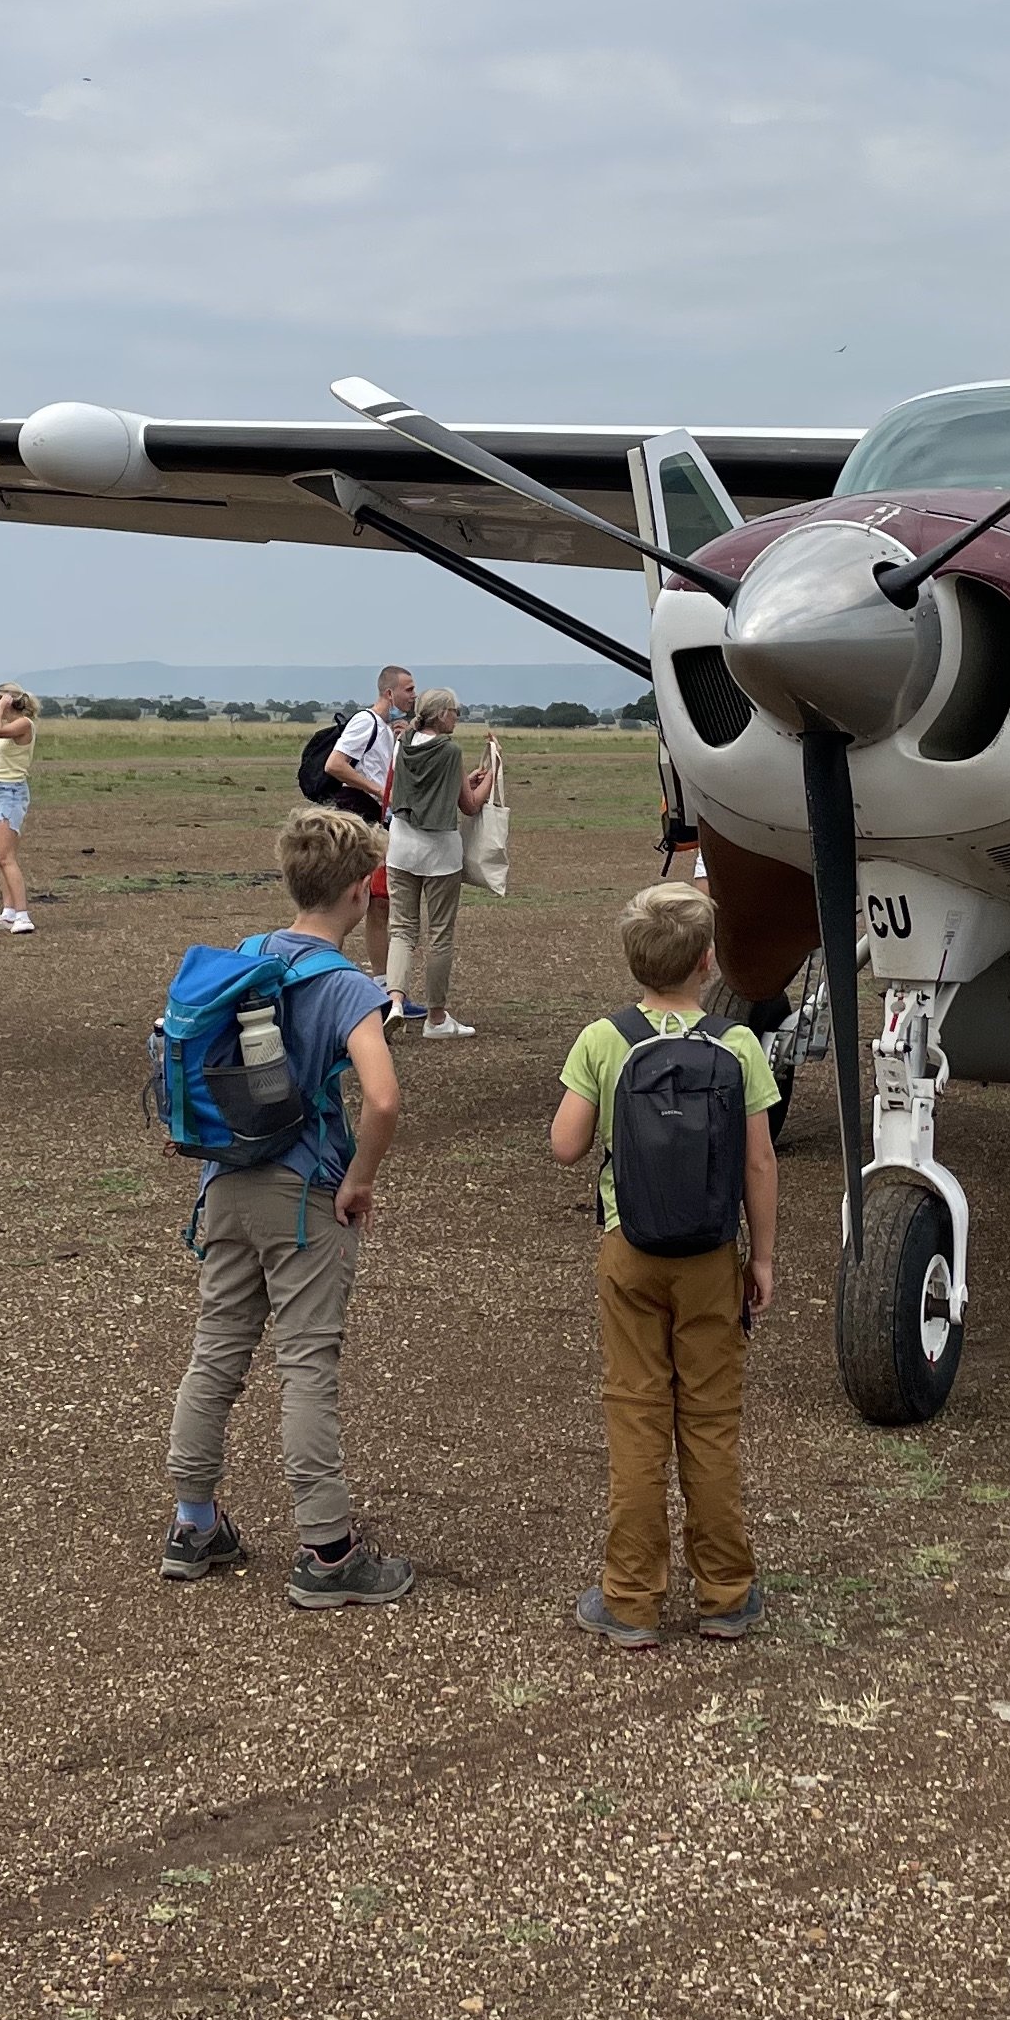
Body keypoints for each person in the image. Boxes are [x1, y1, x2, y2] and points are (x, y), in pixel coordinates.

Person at [162, 805, 417, 1609]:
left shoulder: (243, 960)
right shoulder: (347, 986)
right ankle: (329, 1551)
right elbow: (380, 1098)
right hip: (304, 1193)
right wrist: (361, 1179)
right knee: (307, 1362)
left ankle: (193, 1524)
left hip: (224, 1185)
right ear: (354, 893)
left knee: (217, 1356)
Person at [547, 881, 782, 1650]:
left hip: (630, 1249)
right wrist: (765, 1257)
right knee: (711, 1423)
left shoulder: (604, 1039)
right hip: (711, 1254)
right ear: (708, 962)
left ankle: (632, 1598)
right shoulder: (737, 1046)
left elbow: (566, 1144)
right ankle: (725, 1592)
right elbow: (758, 1164)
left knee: (636, 1418)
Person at [383, 687, 497, 1040]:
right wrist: (492, 772)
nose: (458, 717)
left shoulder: (404, 742)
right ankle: (436, 1018)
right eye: (456, 711)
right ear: (442, 714)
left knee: (402, 929)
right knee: (440, 935)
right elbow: (470, 805)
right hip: (439, 856)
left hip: (401, 849)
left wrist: (464, 781)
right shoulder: (450, 751)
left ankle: (396, 1003)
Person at [328, 665, 411, 973]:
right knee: (344, 899)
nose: (413, 696)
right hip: (359, 816)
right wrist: (378, 789)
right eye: (409, 689)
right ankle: (324, 975)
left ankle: (382, 983)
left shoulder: (391, 730)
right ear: (390, 693)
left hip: (377, 819)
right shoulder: (366, 722)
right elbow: (335, 765)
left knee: (378, 902)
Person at [0, 683, 39, 935]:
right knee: (0, 857)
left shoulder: (23, 724)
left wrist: (1, 707)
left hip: (11, 793)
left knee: (5, 857)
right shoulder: (10, 730)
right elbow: (1, 757)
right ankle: (8, 912)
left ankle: (23, 916)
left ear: (7, 701)